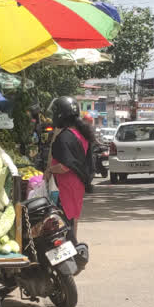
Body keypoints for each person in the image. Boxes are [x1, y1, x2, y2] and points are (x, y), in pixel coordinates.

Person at [44, 97, 95, 242]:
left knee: (65, 219)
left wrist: (49, 170)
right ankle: (73, 247)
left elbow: (64, 166)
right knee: (73, 219)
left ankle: (69, 250)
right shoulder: (80, 134)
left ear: (60, 115)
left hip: (67, 185)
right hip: (77, 184)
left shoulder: (65, 137)